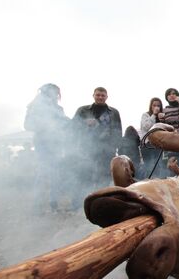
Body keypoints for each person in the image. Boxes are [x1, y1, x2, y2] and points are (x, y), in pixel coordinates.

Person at [24, 83, 70, 212]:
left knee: (56, 173)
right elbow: (27, 125)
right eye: (51, 92)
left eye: (56, 93)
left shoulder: (58, 109)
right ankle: (37, 206)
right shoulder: (35, 107)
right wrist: (46, 126)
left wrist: (77, 122)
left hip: (56, 143)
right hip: (43, 143)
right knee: (43, 172)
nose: (54, 95)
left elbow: (65, 123)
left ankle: (53, 203)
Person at [73, 87, 122, 190]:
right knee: (85, 173)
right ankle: (82, 198)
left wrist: (116, 146)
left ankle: (101, 196)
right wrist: (84, 123)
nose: (100, 97)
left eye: (103, 95)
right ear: (93, 95)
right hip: (87, 147)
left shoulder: (114, 112)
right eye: (98, 95)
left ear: (107, 97)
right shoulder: (82, 110)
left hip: (107, 149)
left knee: (104, 175)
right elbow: (72, 125)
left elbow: (118, 130)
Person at [139, 97, 168, 179]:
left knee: (159, 165)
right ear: (151, 106)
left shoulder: (162, 116)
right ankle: (148, 182)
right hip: (147, 144)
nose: (156, 107)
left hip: (158, 144)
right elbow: (146, 127)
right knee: (149, 166)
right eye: (154, 105)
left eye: (158, 105)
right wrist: (154, 115)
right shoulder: (146, 115)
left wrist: (163, 120)